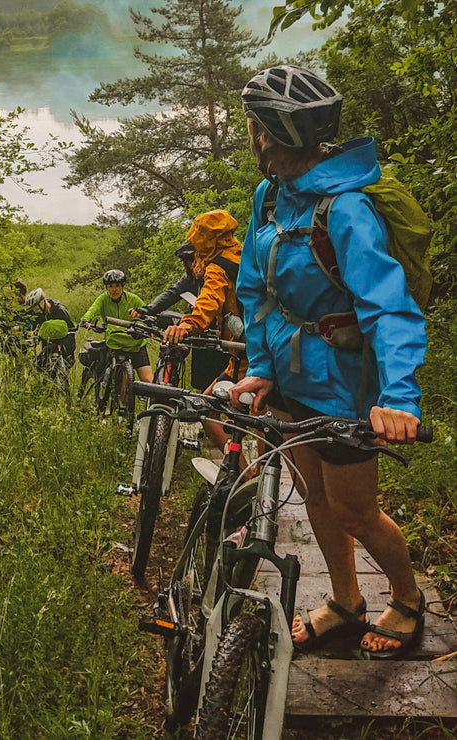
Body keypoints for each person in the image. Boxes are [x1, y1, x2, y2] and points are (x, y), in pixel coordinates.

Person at [230, 64, 427, 659]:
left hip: (346, 384)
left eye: (255, 129)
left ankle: (408, 598)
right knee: (313, 493)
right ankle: (346, 599)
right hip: (291, 376)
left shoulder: (344, 210)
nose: (253, 137)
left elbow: (388, 307)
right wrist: (262, 365)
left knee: (356, 510)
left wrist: (398, 398)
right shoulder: (271, 196)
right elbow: (255, 290)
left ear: (266, 135)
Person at [161, 211, 248, 454]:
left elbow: (208, 302)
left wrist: (186, 326)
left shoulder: (218, 267)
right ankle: (247, 477)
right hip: (249, 352)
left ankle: (252, 480)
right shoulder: (246, 255)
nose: (196, 251)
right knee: (214, 410)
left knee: (214, 414)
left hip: (248, 357)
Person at [80, 270, 153, 383]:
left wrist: (151, 324)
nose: (115, 289)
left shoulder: (133, 299)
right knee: (103, 378)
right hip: (114, 342)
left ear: (123, 286)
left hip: (135, 343)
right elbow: (92, 310)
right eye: (111, 286)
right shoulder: (103, 299)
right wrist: (86, 320)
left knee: (148, 380)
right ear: (106, 288)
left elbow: (147, 312)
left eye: (118, 286)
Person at [23, 287, 76, 366]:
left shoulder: (60, 311)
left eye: (36, 308)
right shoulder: (38, 315)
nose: (35, 311)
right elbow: (34, 330)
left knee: (64, 367)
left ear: (42, 302)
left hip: (64, 344)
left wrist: (62, 345)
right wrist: (29, 334)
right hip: (47, 347)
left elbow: (71, 331)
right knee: (39, 366)